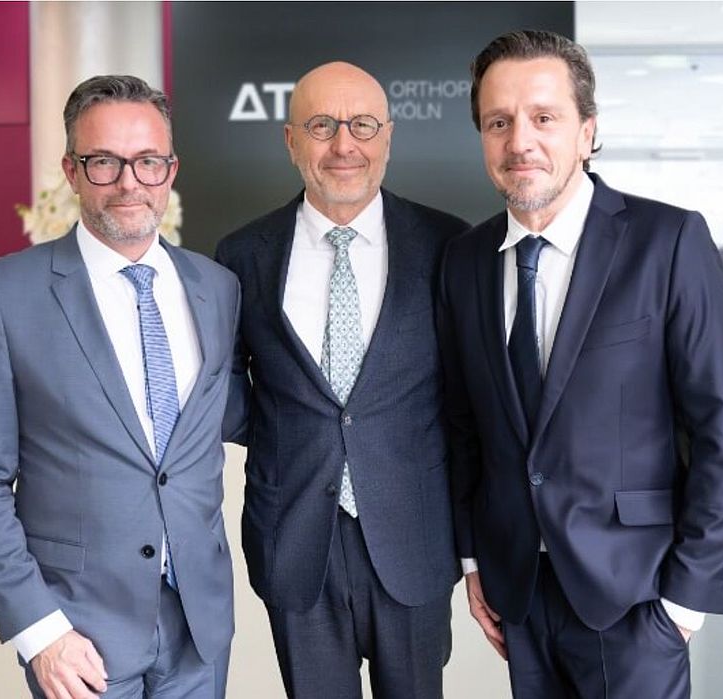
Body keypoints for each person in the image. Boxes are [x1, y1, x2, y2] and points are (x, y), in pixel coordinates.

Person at [438, 30, 723, 698]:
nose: (520, 141)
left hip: (637, 595)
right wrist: (473, 558)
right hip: (519, 592)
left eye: (544, 118)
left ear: (587, 132)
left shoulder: (668, 241)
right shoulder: (464, 262)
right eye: (499, 122)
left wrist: (685, 601)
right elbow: (464, 424)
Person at [0, 75, 243, 699]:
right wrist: (40, 631)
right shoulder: (2, 293)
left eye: (148, 161)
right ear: (71, 171)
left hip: (200, 627)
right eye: (104, 161)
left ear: (171, 169)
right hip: (77, 633)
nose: (129, 182)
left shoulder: (216, 288)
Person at [215, 61, 468, 698]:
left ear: (388, 136)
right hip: (296, 539)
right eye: (322, 126)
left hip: (413, 537)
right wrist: (286, 434)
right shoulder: (242, 255)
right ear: (291, 139)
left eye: (362, 126)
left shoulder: (448, 246)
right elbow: (227, 385)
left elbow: (468, 395)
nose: (344, 145)